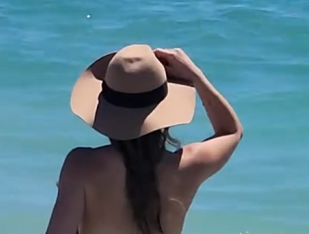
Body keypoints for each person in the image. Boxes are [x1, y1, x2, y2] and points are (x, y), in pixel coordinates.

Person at [45, 45, 243, 234]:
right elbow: (231, 131)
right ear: (164, 109)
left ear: (105, 109)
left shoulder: (81, 165)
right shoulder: (187, 165)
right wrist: (194, 75)